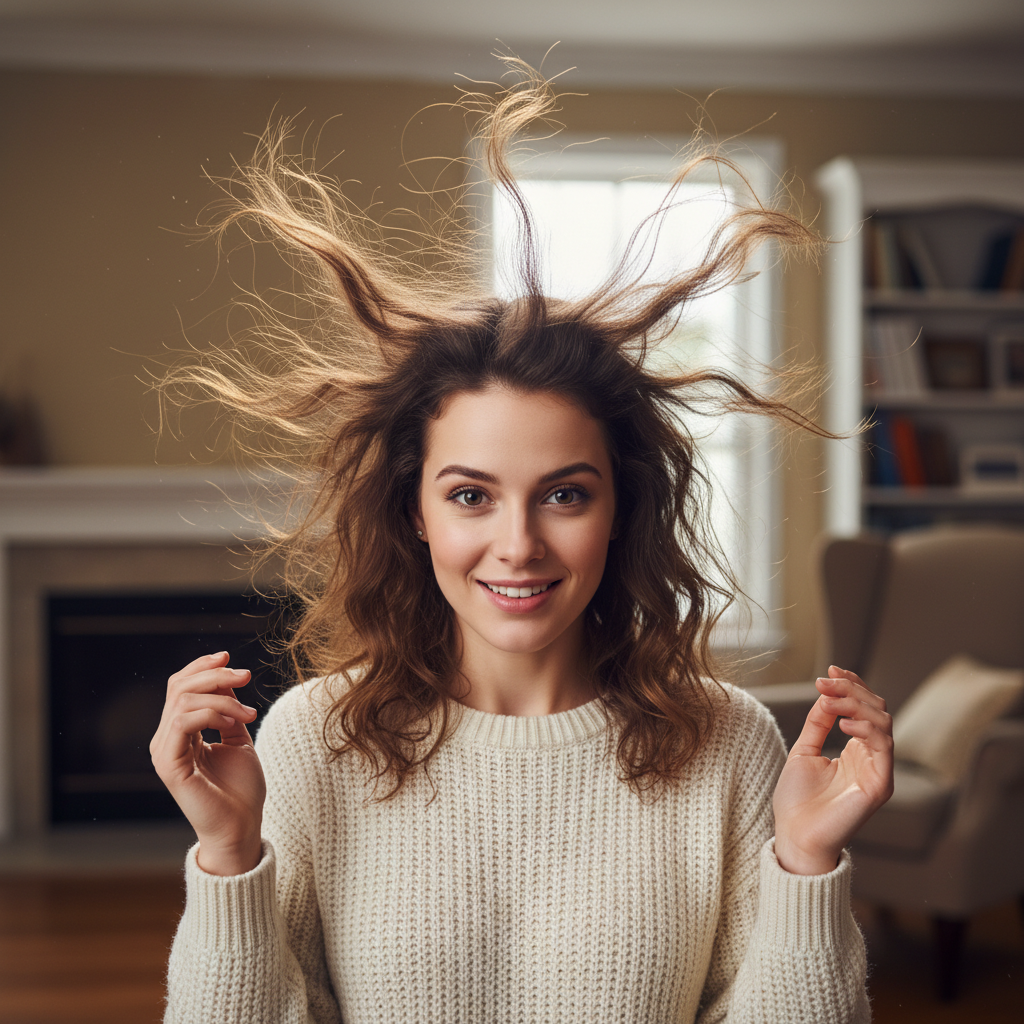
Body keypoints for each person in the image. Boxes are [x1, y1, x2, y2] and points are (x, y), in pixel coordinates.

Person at [151, 59, 893, 1023]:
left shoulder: (730, 745)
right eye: (470, 494)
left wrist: (806, 863)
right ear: (414, 511)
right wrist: (228, 852)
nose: (518, 545)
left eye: (564, 495)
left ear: (620, 508)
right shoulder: (310, 743)